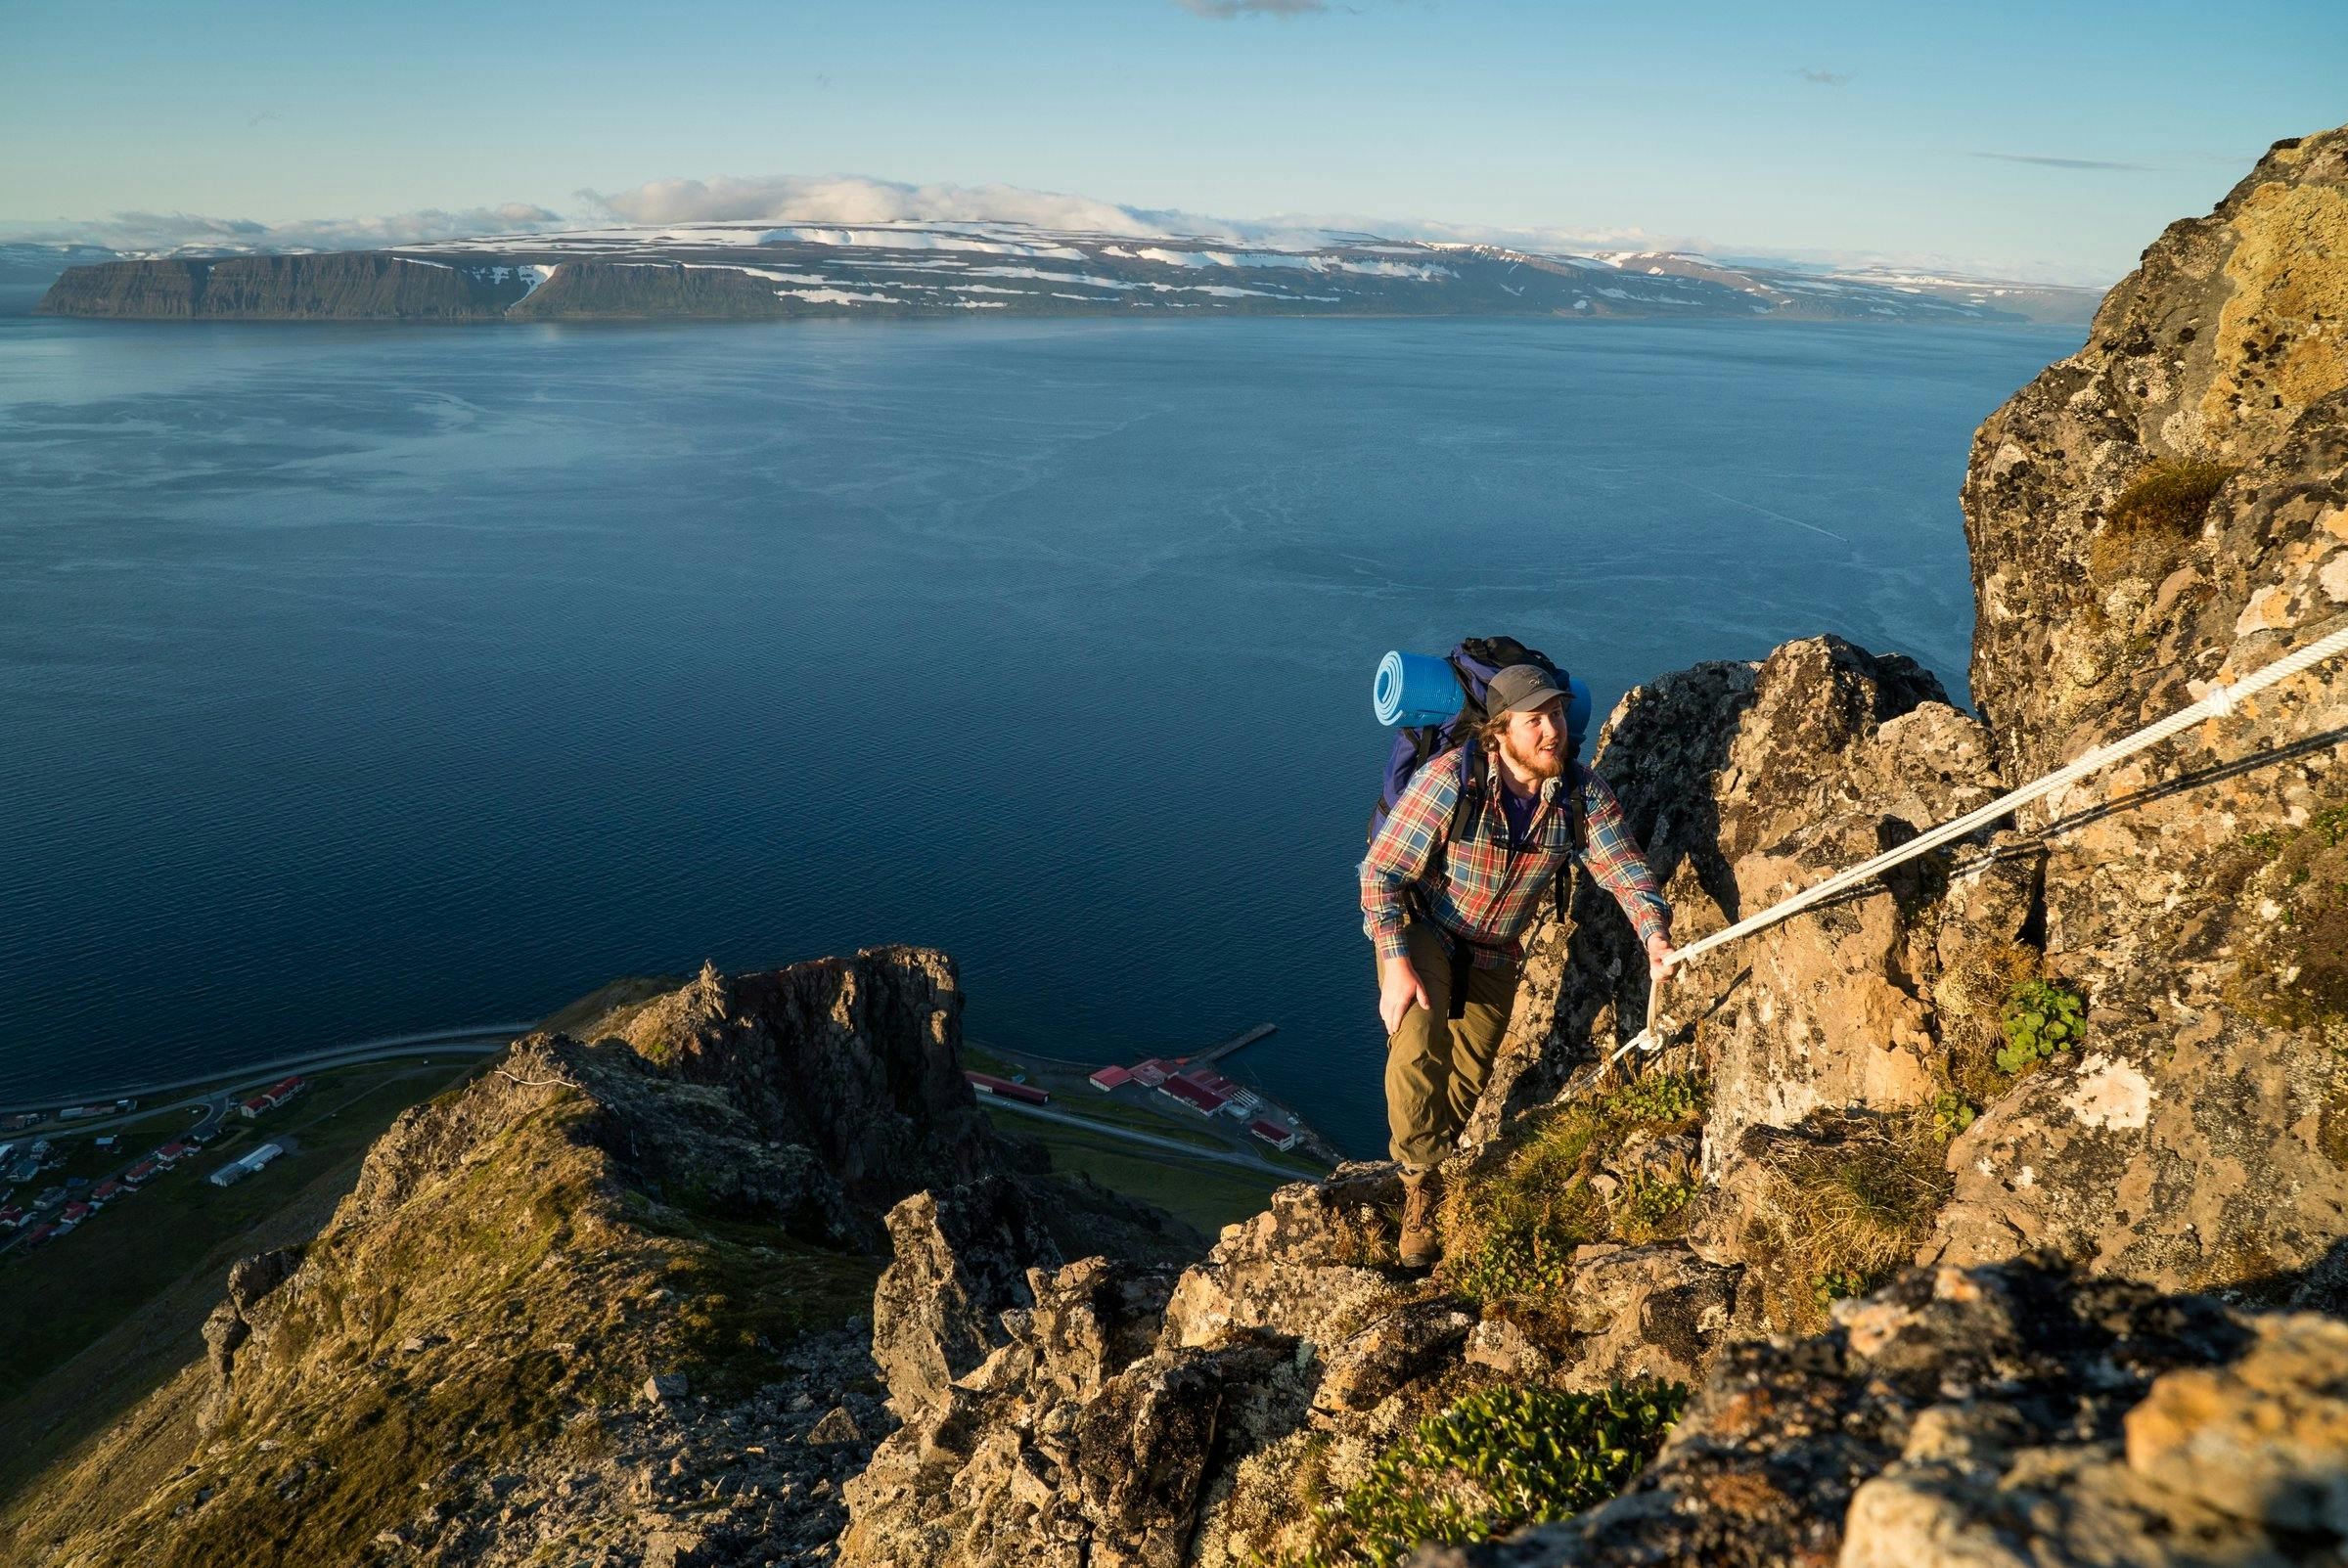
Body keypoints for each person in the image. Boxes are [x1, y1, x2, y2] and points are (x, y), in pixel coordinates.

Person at [1358, 662, 1675, 1269]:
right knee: (1418, 1043)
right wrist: (1396, 960)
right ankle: (1422, 1181)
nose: (1552, 730)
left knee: (1471, 1070)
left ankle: (1434, 1161)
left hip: (1495, 948)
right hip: (1427, 925)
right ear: (1499, 731)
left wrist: (1654, 936)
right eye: (1536, 720)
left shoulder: (1579, 794)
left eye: (1557, 715)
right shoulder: (1451, 780)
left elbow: (1624, 872)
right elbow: (1381, 873)